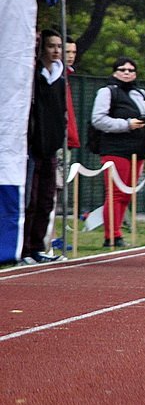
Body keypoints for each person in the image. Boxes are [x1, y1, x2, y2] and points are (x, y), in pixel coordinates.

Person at [91, 57, 145, 247]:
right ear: (114, 72)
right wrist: (126, 124)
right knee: (116, 193)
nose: (127, 73)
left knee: (127, 194)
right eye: (122, 69)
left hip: (138, 150)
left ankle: (117, 231)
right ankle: (112, 235)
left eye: (131, 70)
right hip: (115, 149)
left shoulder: (139, 93)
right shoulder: (107, 92)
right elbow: (98, 119)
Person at [23, 31, 67, 263]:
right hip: (32, 146)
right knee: (31, 198)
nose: (56, 51)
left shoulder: (60, 77)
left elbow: (61, 111)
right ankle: (25, 248)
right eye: (51, 46)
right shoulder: (33, 76)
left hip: (51, 146)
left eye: (59, 46)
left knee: (46, 200)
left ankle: (38, 246)